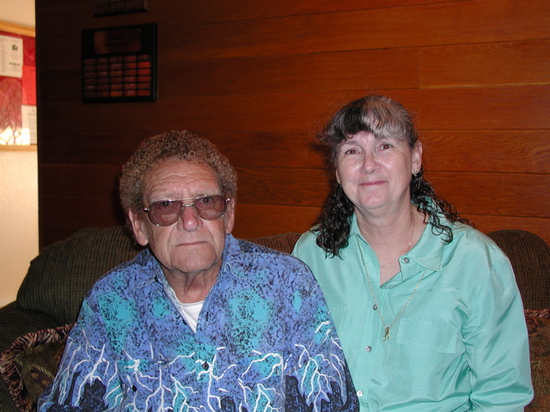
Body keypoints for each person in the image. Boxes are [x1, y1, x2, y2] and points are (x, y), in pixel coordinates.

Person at [38, 130, 359, 411]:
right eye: (166, 206)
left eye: (206, 201)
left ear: (228, 214)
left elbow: (332, 402)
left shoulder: (287, 285)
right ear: (139, 225)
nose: (190, 221)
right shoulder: (111, 301)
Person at [292, 95, 533, 411]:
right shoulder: (310, 255)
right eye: (352, 151)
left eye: (385, 146)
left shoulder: (475, 262)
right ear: (337, 171)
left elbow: (501, 398)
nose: (368, 164)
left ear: (415, 158)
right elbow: (291, 368)